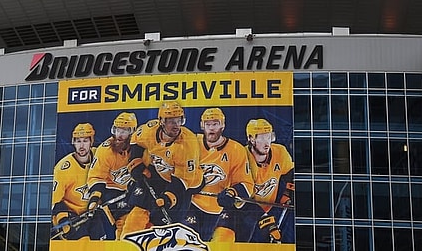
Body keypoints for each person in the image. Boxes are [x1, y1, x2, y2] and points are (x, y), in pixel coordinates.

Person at [122, 101, 204, 235]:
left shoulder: (188, 143)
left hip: (185, 183)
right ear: (161, 121)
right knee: (136, 218)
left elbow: (183, 179)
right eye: (171, 121)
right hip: (156, 174)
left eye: (179, 120)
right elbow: (136, 141)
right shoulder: (149, 130)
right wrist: (136, 162)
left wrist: (168, 198)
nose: (176, 125)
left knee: (160, 227)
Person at [186, 107, 254, 242]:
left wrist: (232, 192)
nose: (211, 128)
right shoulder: (191, 142)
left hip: (221, 207)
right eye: (208, 124)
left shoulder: (236, 149)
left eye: (215, 124)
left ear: (223, 125)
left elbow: (247, 184)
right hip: (192, 204)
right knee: (188, 242)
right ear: (202, 125)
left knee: (224, 240)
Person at [241, 118, 295, 243]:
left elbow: (290, 173)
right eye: (262, 138)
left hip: (271, 207)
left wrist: (287, 194)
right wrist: (267, 221)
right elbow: (241, 196)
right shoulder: (242, 156)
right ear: (251, 138)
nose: (267, 143)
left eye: (269, 137)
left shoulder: (280, 151)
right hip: (244, 210)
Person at [86, 112, 138, 239]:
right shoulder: (105, 150)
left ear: (132, 132)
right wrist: (95, 199)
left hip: (134, 187)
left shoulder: (139, 146)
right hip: (112, 190)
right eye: (117, 130)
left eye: (124, 131)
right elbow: (97, 177)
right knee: (124, 224)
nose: (119, 135)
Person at [51, 123, 105, 240]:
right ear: (73, 142)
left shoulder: (99, 156)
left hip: (92, 213)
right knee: (83, 243)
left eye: (85, 141)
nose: (81, 145)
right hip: (72, 216)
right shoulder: (63, 169)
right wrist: (63, 220)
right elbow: (54, 202)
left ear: (91, 141)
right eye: (78, 141)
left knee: (100, 244)